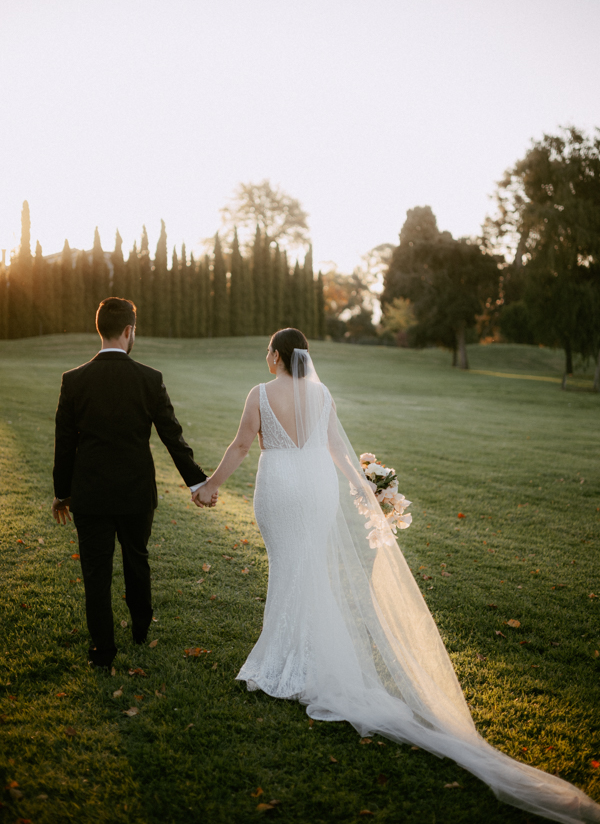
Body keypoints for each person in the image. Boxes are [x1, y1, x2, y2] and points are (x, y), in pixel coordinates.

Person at [193, 327, 600, 824]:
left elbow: (240, 445)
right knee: (309, 569)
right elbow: (340, 452)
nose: (266, 358)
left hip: (278, 486)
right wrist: (365, 492)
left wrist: (211, 485)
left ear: (278, 357)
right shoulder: (321, 394)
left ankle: (285, 659)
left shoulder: (259, 393)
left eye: (268, 352)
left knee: (288, 566)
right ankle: (302, 655)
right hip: (317, 489)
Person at [52, 297, 217, 668]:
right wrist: (197, 483)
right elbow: (172, 438)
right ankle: (141, 631)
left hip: (90, 494)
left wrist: (62, 493)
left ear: (101, 329)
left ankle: (103, 651)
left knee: (95, 572)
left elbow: (65, 444)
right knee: (136, 560)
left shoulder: (74, 380)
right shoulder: (150, 378)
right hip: (136, 493)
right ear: (129, 331)